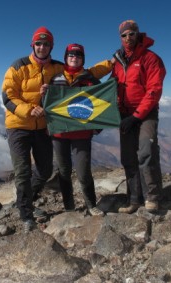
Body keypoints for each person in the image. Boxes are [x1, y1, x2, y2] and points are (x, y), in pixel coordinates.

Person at [1, 26, 64, 233]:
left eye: (46, 44)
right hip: (18, 125)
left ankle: (27, 198)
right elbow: (7, 97)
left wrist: (53, 91)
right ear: (33, 45)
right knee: (23, 172)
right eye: (39, 43)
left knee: (45, 170)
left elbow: (74, 85)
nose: (42, 47)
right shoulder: (18, 66)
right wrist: (29, 110)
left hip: (43, 127)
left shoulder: (58, 68)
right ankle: (26, 213)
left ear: (51, 46)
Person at [41, 43, 113, 216]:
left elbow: (102, 103)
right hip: (60, 133)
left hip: (82, 133)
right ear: (66, 57)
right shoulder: (56, 78)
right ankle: (69, 207)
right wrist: (44, 94)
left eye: (78, 55)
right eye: (71, 55)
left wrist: (96, 129)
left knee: (83, 171)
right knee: (64, 171)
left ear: (83, 58)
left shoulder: (90, 79)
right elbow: (46, 105)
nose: (74, 57)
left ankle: (91, 204)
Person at [110, 20, 166, 213]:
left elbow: (154, 90)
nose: (128, 38)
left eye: (131, 34)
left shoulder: (150, 59)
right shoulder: (117, 61)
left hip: (145, 113)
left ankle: (152, 197)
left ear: (138, 34)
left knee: (146, 150)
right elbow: (110, 87)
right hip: (125, 114)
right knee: (128, 156)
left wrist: (136, 116)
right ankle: (134, 198)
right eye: (124, 35)